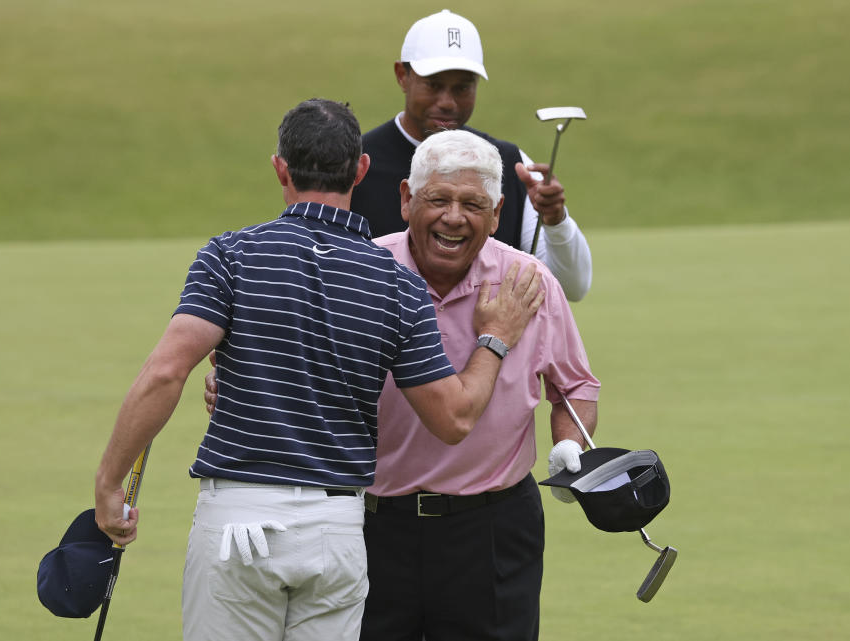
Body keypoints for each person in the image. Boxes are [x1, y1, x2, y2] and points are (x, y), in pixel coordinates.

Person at [94, 99, 545, 641]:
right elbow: (454, 417)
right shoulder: (396, 284)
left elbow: (166, 373)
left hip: (238, 517)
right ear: (360, 169)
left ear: (280, 168)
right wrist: (494, 339)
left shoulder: (230, 256)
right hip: (338, 531)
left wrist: (109, 482)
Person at [206, 129, 600, 641]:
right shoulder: (363, 273)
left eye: (472, 204)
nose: (454, 217)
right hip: (372, 524)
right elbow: (297, 368)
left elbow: (574, 386)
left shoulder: (529, 282)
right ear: (406, 200)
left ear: (498, 213)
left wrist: (571, 443)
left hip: (492, 528)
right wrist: (241, 382)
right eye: (438, 199)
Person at [350, 9, 593, 302]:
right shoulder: (356, 164)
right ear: (403, 75)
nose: (448, 102)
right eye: (434, 85)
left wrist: (555, 219)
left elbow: (573, 286)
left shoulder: (509, 163)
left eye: (462, 88)